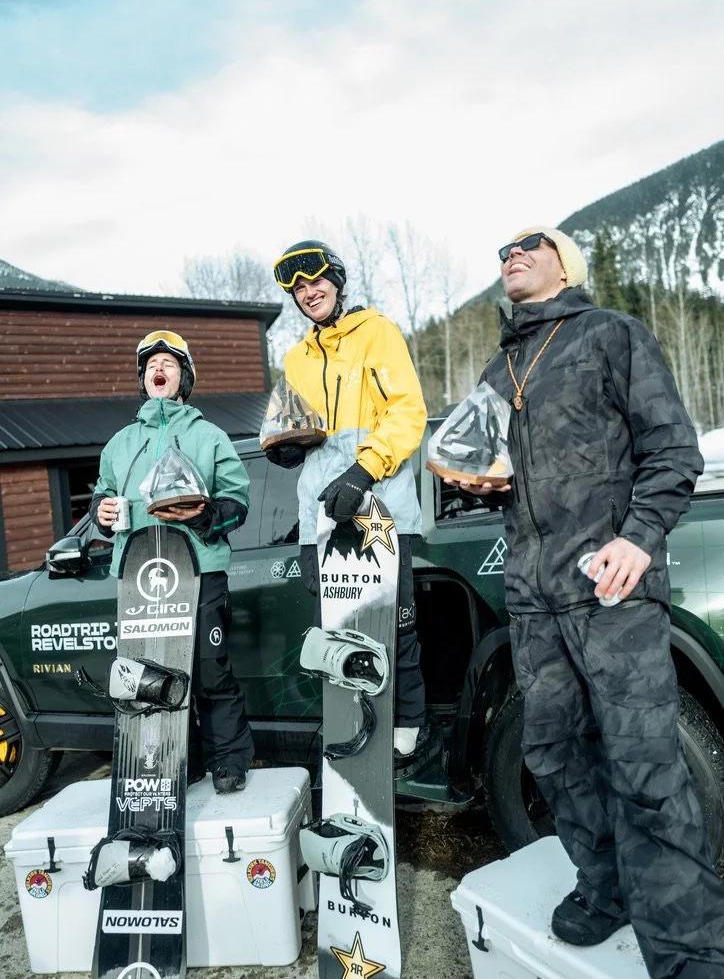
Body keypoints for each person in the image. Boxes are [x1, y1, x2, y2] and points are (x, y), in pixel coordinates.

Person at [448, 227, 724, 979]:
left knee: (644, 761)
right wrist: (477, 481)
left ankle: (690, 946)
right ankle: (604, 888)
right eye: (500, 247)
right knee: (556, 753)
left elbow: (673, 449)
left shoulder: (610, 333)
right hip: (534, 599)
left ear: (565, 262)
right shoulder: (498, 367)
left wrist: (638, 537)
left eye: (527, 243)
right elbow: (477, 463)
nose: (508, 251)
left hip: (613, 586)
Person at [268, 239, 428, 759]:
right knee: (337, 628)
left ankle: (408, 717)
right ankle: (351, 720)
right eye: (298, 287)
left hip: (378, 503)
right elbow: (293, 424)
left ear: (337, 283)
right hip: (319, 513)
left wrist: (364, 469)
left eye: (317, 281)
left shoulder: (376, 333)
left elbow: (407, 412)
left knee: (391, 620)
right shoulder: (296, 358)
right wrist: (288, 446)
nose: (308, 292)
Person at [91, 330, 254, 795]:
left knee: (210, 671)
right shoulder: (120, 443)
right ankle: (174, 764)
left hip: (199, 570)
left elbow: (237, 501)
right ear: (143, 379)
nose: (158, 370)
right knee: (149, 675)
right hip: (138, 578)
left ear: (184, 378)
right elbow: (104, 495)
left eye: (169, 363)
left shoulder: (209, 436)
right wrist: (99, 511)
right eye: (150, 365)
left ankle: (228, 761)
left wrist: (206, 515)